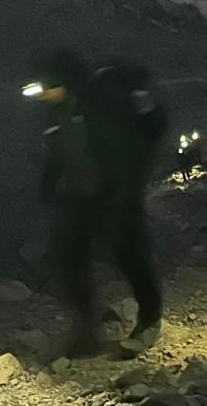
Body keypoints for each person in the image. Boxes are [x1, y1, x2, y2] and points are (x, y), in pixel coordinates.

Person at [26, 48, 166, 357]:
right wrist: (49, 188)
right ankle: (86, 329)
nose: (45, 95)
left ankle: (150, 319)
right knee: (68, 256)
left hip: (116, 191)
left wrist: (126, 195)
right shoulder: (63, 107)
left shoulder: (102, 101)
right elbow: (60, 147)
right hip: (84, 192)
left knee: (129, 254)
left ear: (64, 81)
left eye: (48, 87)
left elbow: (125, 152)